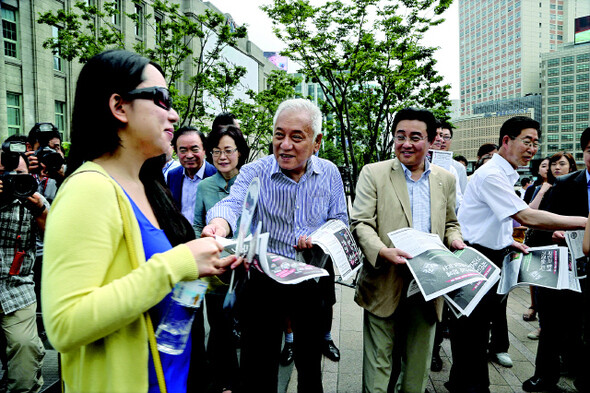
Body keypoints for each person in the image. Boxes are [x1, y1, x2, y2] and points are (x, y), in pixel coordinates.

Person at [41, 49, 238, 393]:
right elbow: (64, 324)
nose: (173, 114)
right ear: (119, 107)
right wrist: (178, 263)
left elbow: (158, 284)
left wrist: (209, 268)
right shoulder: (88, 189)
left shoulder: (150, 185)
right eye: (161, 99)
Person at [202, 98, 348, 393]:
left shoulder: (330, 173)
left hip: (310, 281)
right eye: (279, 135)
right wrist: (220, 224)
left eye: (297, 137)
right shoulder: (256, 171)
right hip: (263, 282)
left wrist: (319, 238)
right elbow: (233, 203)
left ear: (316, 141)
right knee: (257, 368)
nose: (285, 145)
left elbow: (340, 221)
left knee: (309, 367)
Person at [447, 116, 587, 393]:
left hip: (493, 255)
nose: (533, 148)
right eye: (527, 141)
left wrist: (509, 242)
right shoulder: (491, 175)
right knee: (472, 333)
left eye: (536, 143)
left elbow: (494, 221)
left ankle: (460, 383)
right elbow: (526, 216)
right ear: (506, 141)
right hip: (475, 257)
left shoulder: (504, 173)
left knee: (475, 331)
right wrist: (585, 222)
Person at [351, 108, 464, 393]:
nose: (407, 143)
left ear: (430, 141)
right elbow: (361, 223)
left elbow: (451, 223)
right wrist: (381, 251)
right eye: (400, 136)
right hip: (384, 279)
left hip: (428, 285)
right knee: (378, 369)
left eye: (416, 137)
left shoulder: (445, 179)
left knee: (416, 371)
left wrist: (455, 240)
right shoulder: (374, 173)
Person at [521, 145, 588, 392]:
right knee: (553, 321)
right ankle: (545, 376)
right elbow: (540, 221)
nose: (557, 168)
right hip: (565, 261)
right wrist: (554, 233)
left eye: (562, 163)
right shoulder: (565, 185)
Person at [192, 124, 249, 393]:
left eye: (228, 150)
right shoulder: (204, 187)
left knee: (249, 327)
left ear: (240, 152)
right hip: (216, 270)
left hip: (246, 269)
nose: (222, 157)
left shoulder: (251, 184)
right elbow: (196, 224)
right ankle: (225, 381)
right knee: (219, 328)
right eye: (216, 151)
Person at [0, 148, 47, 393]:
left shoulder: (32, 198)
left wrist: (40, 210)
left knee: (25, 346)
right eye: (3, 175)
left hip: (18, 286)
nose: (11, 180)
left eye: (19, 174)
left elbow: (56, 235)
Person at [167, 126, 217, 222]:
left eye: (194, 149)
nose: (189, 155)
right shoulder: (173, 176)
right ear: (175, 151)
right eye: (183, 150)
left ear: (204, 149)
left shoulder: (216, 176)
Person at [438, 121, 468, 194]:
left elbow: (463, 193)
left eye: (446, 137)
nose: (442, 141)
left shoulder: (459, 168)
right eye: (440, 136)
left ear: (451, 141)